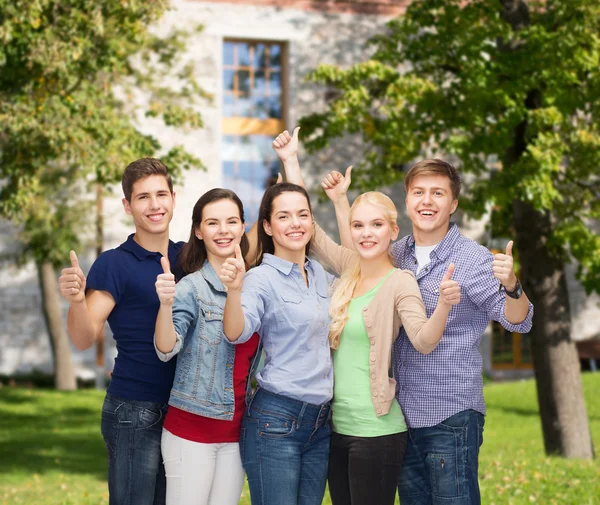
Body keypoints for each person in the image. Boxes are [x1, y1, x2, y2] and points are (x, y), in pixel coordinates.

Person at [319, 156, 534, 505]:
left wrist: (512, 285)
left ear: (453, 203)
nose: (427, 201)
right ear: (407, 201)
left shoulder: (472, 259)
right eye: (419, 192)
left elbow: (518, 319)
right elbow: (355, 257)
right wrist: (341, 200)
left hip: (449, 416)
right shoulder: (397, 252)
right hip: (402, 417)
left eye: (438, 193)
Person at [271, 129, 459, 505]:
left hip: (378, 431)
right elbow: (311, 229)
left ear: (393, 231)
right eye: (358, 225)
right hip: (335, 429)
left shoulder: (399, 282)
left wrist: (443, 306)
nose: (366, 233)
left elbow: (423, 340)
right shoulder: (349, 268)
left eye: (376, 225)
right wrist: (291, 160)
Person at [58, 158, 181, 505]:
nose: (154, 205)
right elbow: (83, 338)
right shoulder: (115, 263)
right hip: (134, 410)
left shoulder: (189, 257)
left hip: (185, 412)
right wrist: (77, 300)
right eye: (143, 197)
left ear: (174, 198)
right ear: (127, 205)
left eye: (161, 194)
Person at [218, 182, 333, 505]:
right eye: (284, 216)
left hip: (321, 422)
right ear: (267, 226)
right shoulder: (259, 279)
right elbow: (236, 332)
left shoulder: (320, 275)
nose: (295, 223)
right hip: (276, 420)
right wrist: (234, 290)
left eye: (302, 215)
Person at [153, 188, 261, 505]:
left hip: (237, 432)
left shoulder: (255, 286)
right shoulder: (191, 287)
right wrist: (164, 305)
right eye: (212, 223)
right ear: (199, 232)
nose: (223, 230)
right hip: (191, 430)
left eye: (231, 221)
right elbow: (165, 348)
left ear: (243, 227)